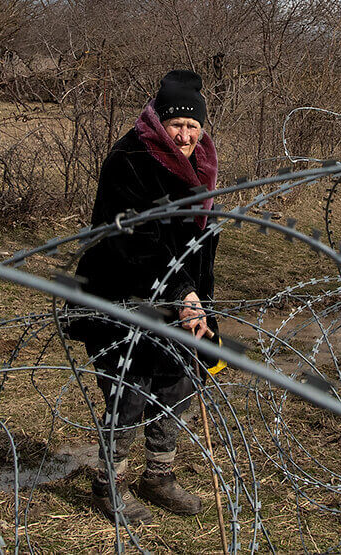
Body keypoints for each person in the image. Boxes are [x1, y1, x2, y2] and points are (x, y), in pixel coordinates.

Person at [72, 69, 219, 524]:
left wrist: (199, 302)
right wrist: (182, 292)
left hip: (179, 297)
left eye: (193, 126)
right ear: (159, 121)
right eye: (177, 124)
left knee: (178, 381)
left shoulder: (202, 165)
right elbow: (136, 239)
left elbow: (198, 244)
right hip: (121, 293)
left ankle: (159, 476)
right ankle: (108, 485)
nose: (185, 133)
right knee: (130, 389)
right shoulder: (130, 157)